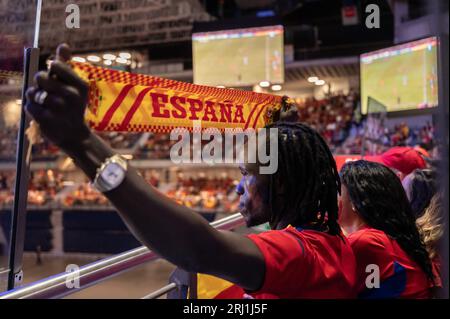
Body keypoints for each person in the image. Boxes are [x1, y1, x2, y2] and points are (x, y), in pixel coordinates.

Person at [23, 44, 356, 298]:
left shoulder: (301, 253)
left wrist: (81, 143)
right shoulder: (327, 242)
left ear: (281, 185)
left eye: (248, 174)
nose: (238, 188)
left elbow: (199, 248)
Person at [339, 160, 434, 298]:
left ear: (355, 202)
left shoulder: (366, 242)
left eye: (337, 192)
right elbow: (372, 285)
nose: (332, 199)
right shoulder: (387, 238)